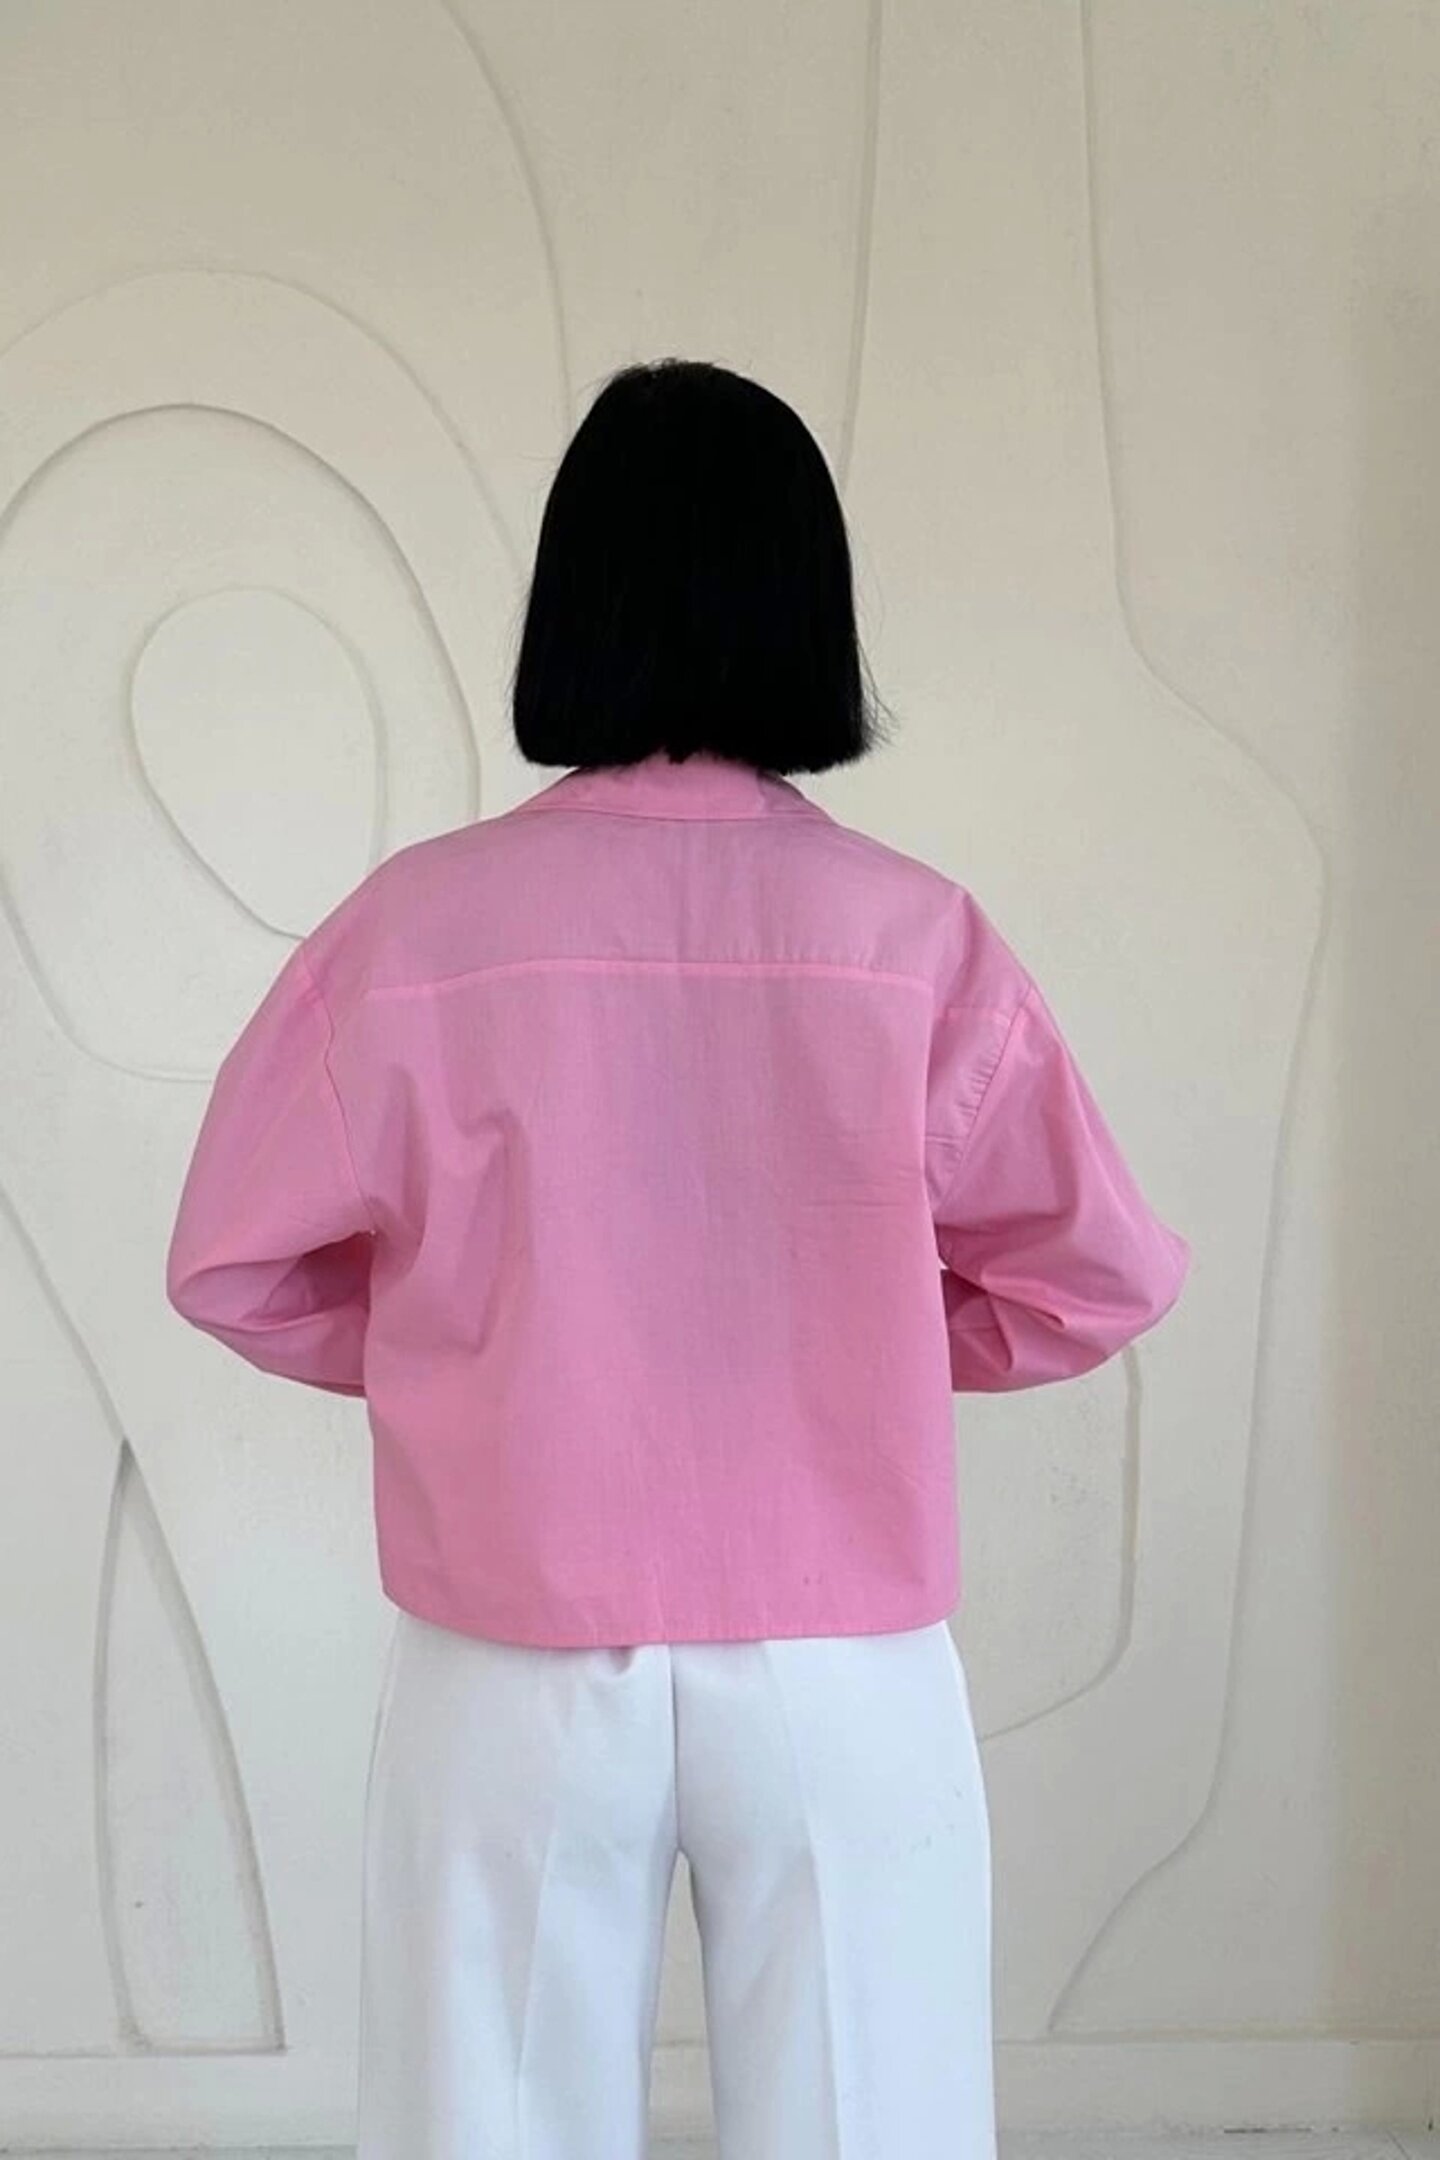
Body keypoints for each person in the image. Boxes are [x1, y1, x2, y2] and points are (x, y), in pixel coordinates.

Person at [165, 357, 1191, 2160]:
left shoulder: (415, 930)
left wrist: (476, 1345)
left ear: (571, 597)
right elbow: (1095, 1278)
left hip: (515, 1638)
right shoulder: (911, 937)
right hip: (840, 1646)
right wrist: (874, 1335)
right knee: (873, 2115)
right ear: (810, 606)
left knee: (486, 2119)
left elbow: (233, 1265)